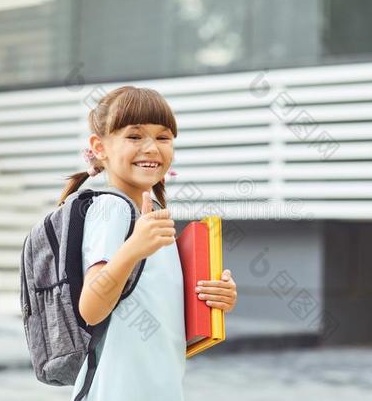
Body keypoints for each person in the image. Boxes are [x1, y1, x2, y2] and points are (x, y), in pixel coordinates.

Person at [57, 86, 238, 400]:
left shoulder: (151, 215)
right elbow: (90, 308)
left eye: (163, 137)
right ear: (99, 147)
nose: (152, 148)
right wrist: (132, 248)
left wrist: (215, 299)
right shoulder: (111, 209)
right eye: (135, 136)